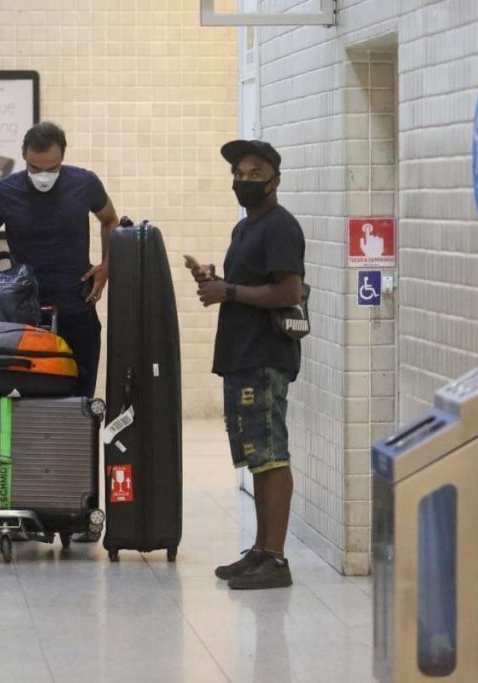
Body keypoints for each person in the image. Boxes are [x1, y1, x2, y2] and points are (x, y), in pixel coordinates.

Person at [190, 139, 304, 590]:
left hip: (264, 357)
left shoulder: (280, 227)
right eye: (239, 173)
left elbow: (288, 291)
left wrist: (229, 292)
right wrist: (217, 282)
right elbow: (245, 287)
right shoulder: (245, 229)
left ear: (275, 180)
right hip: (241, 355)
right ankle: (260, 551)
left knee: (271, 454)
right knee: (255, 457)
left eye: (255, 174)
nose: (244, 180)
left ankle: (275, 559)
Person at [0, 122, 118, 399]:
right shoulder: (5, 192)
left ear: (62, 158)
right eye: (34, 169)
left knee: (80, 397)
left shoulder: (84, 183)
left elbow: (110, 220)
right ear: (24, 158)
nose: (42, 176)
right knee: (28, 398)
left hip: (77, 305)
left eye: (51, 169)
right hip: (24, 314)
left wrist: (107, 266)